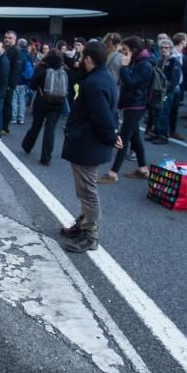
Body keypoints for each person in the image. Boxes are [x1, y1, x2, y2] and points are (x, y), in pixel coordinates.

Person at [59, 40, 121, 253]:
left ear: (88, 59)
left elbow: (102, 115)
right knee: (85, 190)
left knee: (87, 191)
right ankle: (83, 224)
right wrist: (113, 134)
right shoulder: (104, 77)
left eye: (82, 56)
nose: (78, 59)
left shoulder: (94, 83)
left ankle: (90, 235)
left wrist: (111, 135)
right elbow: (111, 111)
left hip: (88, 144)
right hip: (89, 143)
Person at [100, 36, 152, 183]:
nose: (122, 54)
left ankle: (112, 173)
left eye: (125, 50)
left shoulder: (145, 65)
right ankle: (142, 168)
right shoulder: (138, 61)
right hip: (132, 103)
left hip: (137, 104)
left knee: (123, 138)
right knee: (135, 137)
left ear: (133, 50)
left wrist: (124, 66)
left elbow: (131, 82)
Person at [20, 49, 66, 165]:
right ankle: (46, 158)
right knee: (50, 130)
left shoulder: (41, 68)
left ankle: (27, 145)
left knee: (36, 125)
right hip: (58, 103)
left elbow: (33, 86)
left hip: (42, 102)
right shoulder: (63, 69)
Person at [2, 30, 23, 135]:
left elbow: (16, 70)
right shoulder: (4, 50)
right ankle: (0, 126)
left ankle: (5, 128)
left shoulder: (16, 52)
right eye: (6, 37)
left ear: (15, 40)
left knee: (7, 106)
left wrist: (10, 86)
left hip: (8, 85)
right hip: (1, 83)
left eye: (10, 38)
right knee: (1, 106)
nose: (7, 39)